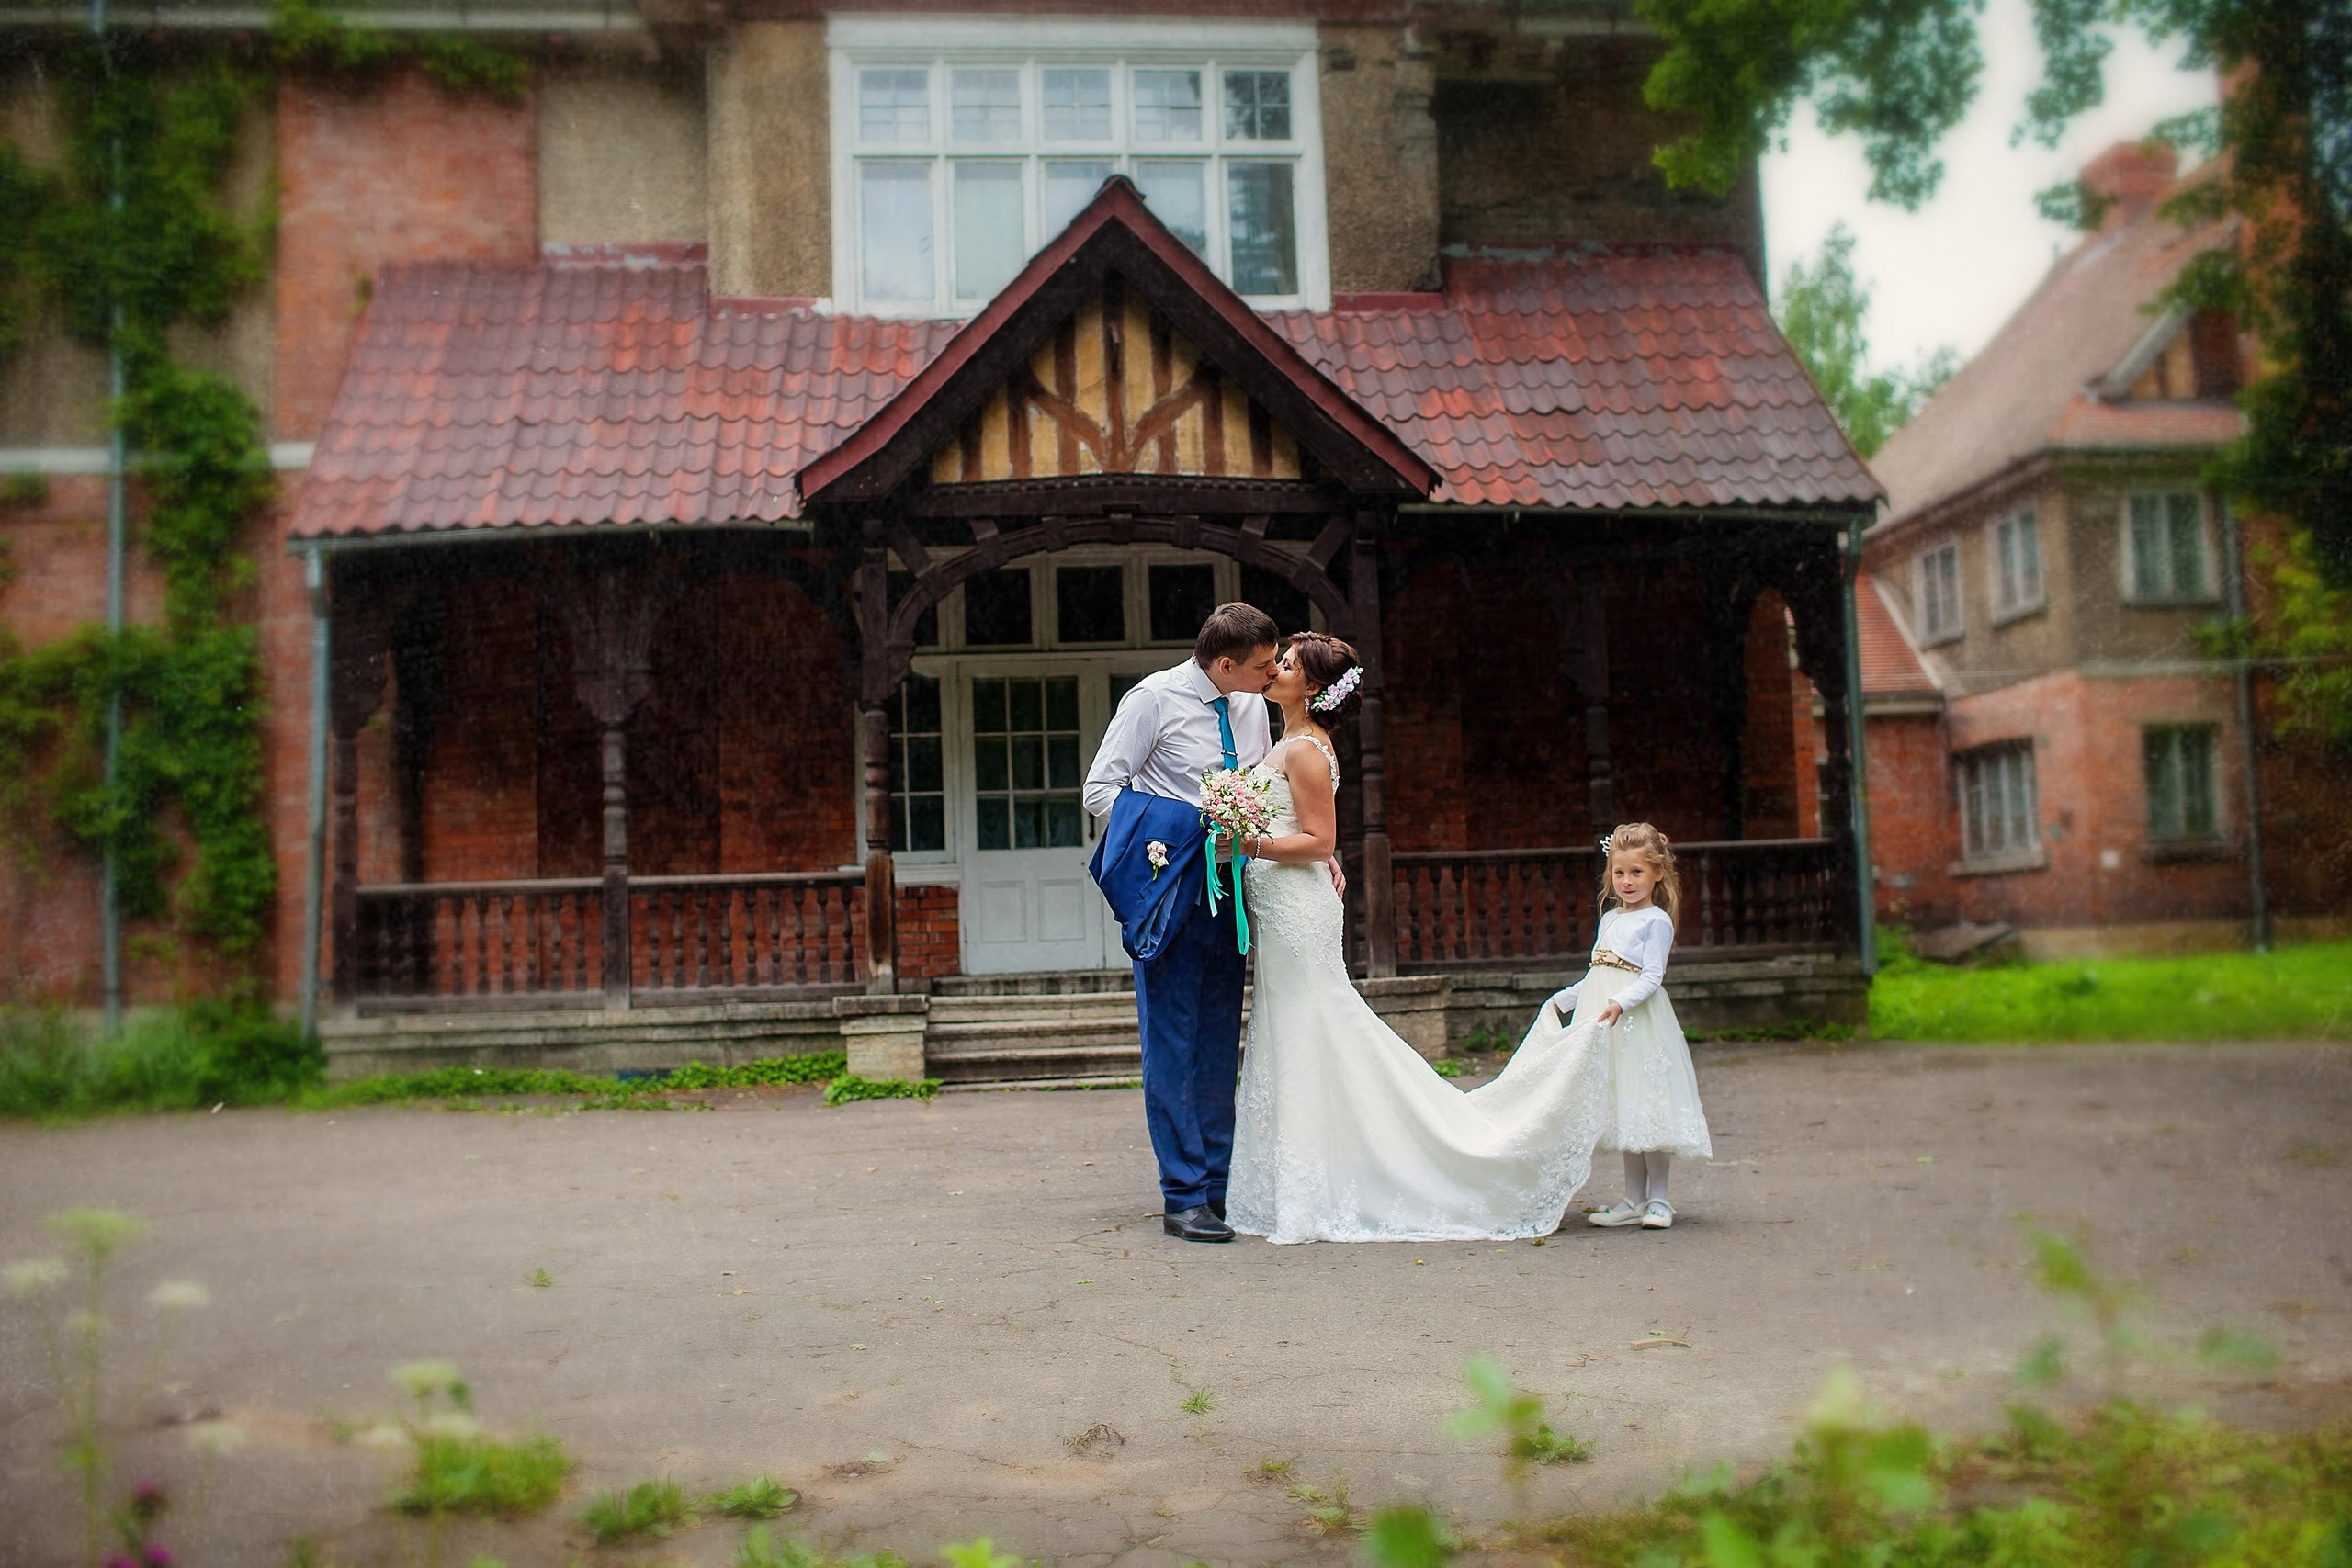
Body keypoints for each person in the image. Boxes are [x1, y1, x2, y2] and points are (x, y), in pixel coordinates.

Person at [1220, 633, 1619, 1244]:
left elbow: (1321, 842)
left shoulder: (1303, 749)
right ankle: (1304, 1181)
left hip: (1297, 908)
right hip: (1283, 905)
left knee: (1314, 1026)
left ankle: (1344, 1179)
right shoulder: (1291, 739)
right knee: (1296, 1029)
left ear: (1316, 689)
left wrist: (1242, 841)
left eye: (1290, 664)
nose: (1276, 669)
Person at [1083, 604, 1338, 1244]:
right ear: (1225, 664)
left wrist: (1320, 845)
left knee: (1221, 1041)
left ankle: (1220, 1185)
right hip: (1172, 889)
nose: (1271, 674)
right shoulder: (1153, 700)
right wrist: (1189, 820)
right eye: (1260, 666)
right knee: (1172, 1041)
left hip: (1237, 894)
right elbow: (1099, 791)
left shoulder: (1251, 702)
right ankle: (1182, 1194)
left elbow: (1270, 791)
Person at [1549, 823, 1713, 1231]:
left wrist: (1621, 1003)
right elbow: (1600, 970)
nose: (1627, 882)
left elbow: (1651, 976)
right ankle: (1632, 1198)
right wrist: (1566, 999)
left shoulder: (1656, 921)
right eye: (1619, 873)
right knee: (1625, 1106)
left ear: (1657, 873)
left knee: (1648, 1103)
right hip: (1607, 1022)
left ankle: (1660, 1198)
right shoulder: (1609, 919)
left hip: (1639, 1022)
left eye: (1636, 872)